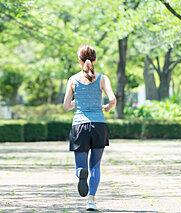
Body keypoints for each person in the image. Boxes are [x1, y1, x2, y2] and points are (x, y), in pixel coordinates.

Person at [63, 44, 116, 211]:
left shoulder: (72, 80)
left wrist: (77, 102)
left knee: (82, 166)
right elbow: (113, 99)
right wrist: (107, 107)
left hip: (79, 126)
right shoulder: (103, 78)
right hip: (99, 126)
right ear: (95, 59)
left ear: (79, 60)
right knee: (96, 165)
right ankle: (91, 201)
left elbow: (66, 106)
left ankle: (80, 173)